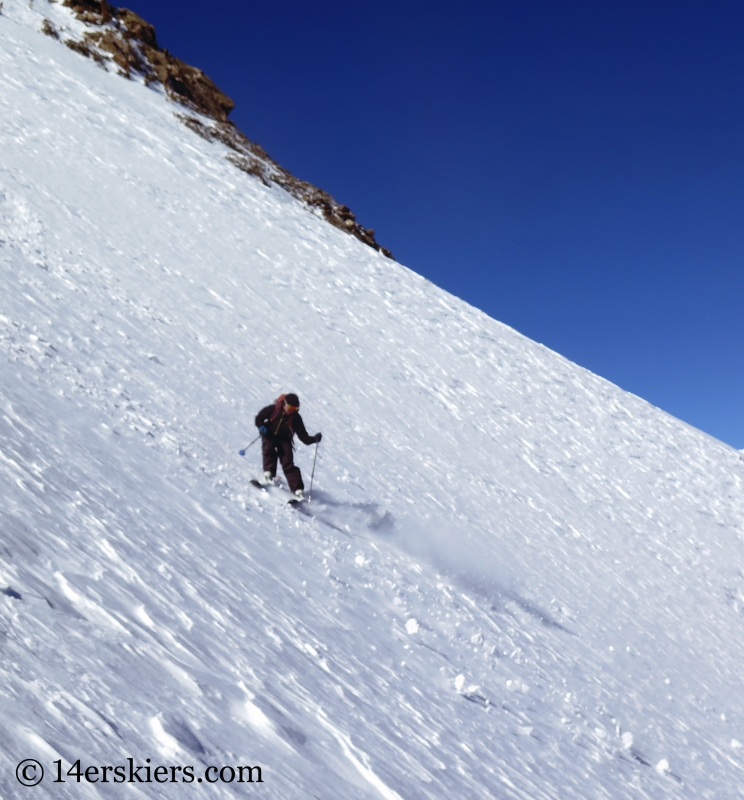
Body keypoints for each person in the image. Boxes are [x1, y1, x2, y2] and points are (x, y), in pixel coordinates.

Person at [254, 393, 321, 500]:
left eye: (295, 408)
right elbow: (259, 418)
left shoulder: (296, 418)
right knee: (269, 450)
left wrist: (314, 439)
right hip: (269, 434)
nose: (292, 410)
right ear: (284, 404)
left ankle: (297, 490)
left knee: (288, 463)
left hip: (285, 440)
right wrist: (262, 427)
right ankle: (268, 473)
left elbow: (304, 437)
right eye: (290, 407)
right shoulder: (273, 409)